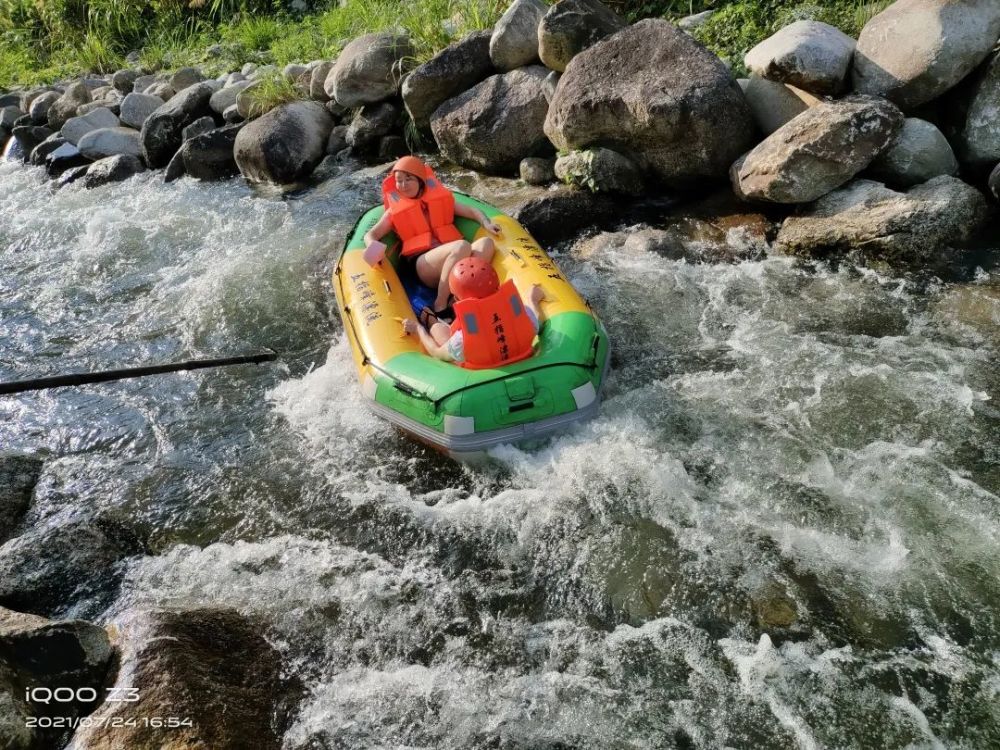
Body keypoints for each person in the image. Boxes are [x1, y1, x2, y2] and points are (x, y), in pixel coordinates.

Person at [363, 155, 500, 320]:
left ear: (420, 180)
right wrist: (373, 247)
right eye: (399, 180)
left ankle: (459, 297)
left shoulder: (440, 199)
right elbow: (371, 234)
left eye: (409, 179)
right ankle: (440, 304)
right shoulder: (393, 211)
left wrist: (486, 223)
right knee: (462, 246)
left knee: (486, 243)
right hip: (423, 265)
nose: (403, 185)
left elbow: (471, 211)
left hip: (453, 259)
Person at [402, 257, 546, 369]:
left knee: (438, 329)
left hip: (481, 375)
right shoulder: (522, 314)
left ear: (457, 299)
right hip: (521, 358)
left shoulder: (462, 340)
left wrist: (418, 329)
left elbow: (437, 353)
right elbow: (538, 320)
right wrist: (531, 299)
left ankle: (430, 319)